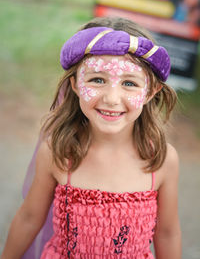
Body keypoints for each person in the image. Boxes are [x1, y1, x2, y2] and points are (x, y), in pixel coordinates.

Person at [1, 17, 182, 258]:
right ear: (75, 84)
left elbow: (167, 233)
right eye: (97, 80)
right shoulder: (58, 151)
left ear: (151, 91)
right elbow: (29, 218)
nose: (111, 98)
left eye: (129, 83)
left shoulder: (161, 159)